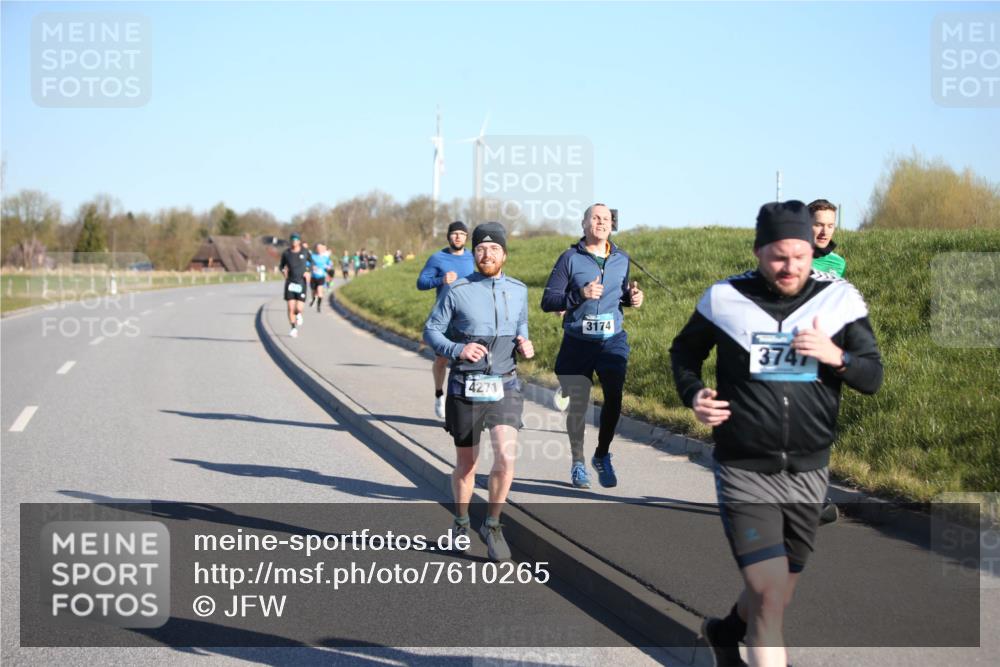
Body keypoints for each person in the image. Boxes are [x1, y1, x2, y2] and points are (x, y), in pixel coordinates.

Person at [669, 200, 883, 667]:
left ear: (813, 250)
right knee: (769, 598)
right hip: (744, 468)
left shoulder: (840, 300)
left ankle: (723, 632)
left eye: (800, 256)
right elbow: (683, 353)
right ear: (757, 251)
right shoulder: (725, 298)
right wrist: (694, 394)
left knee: (775, 594)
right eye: (778, 256)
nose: (790, 267)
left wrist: (836, 356)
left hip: (808, 472)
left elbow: (872, 377)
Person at [423, 222, 534, 562]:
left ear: (505, 254)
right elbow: (432, 330)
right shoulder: (457, 292)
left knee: (505, 456)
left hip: (505, 383)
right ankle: (460, 522)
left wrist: (524, 342)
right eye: (481, 249)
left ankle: (494, 525)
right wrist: (458, 350)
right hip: (466, 385)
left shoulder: (518, 290)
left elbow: (521, 325)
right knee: (467, 465)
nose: (487, 254)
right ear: (474, 254)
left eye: (494, 249)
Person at [540, 203, 644, 489]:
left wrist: (632, 298)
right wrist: (580, 294)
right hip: (578, 341)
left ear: (612, 224)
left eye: (606, 219)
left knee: (614, 396)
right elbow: (548, 301)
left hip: (612, 339)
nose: (600, 223)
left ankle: (601, 454)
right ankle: (577, 462)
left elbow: (620, 294)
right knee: (579, 404)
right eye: (595, 218)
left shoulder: (622, 258)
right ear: (584, 223)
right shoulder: (569, 259)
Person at [417, 221, 476, 419]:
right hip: (444, 318)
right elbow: (421, 283)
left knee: (468, 360)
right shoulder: (437, 258)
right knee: (442, 360)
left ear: (466, 237)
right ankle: (438, 394)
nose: (458, 237)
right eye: (454, 234)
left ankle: (464, 405)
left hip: (468, 317)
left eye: (462, 234)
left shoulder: (473, 257)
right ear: (448, 236)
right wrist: (440, 280)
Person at [279, 233, 311, 338]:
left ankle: (298, 315)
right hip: (290, 283)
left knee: (299, 308)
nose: (294, 242)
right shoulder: (286, 253)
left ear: (299, 241)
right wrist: (283, 271)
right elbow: (281, 266)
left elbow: (311, 263)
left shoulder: (305, 252)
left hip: (301, 282)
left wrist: (308, 271)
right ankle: (293, 328)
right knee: (290, 307)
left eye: (296, 240)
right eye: (292, 240)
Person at [808, 199, 845, 278]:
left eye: (830, 226)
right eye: (819, 225)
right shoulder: (791, 258)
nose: (825, 232)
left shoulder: (838, 263)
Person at [309, 243, 333, 313]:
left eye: (321, 248)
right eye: (318, 248)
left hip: (321, 277)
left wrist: (329, 267)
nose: (319, 249)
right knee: (313, 292)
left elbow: (330, 264)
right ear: (316, 249)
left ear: (323, 249)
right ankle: (313, 299)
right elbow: (308, 264)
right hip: (313, 277)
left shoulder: (325, 258)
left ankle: (318, 306)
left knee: (320, 292)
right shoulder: (312, 256)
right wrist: (312, 267)